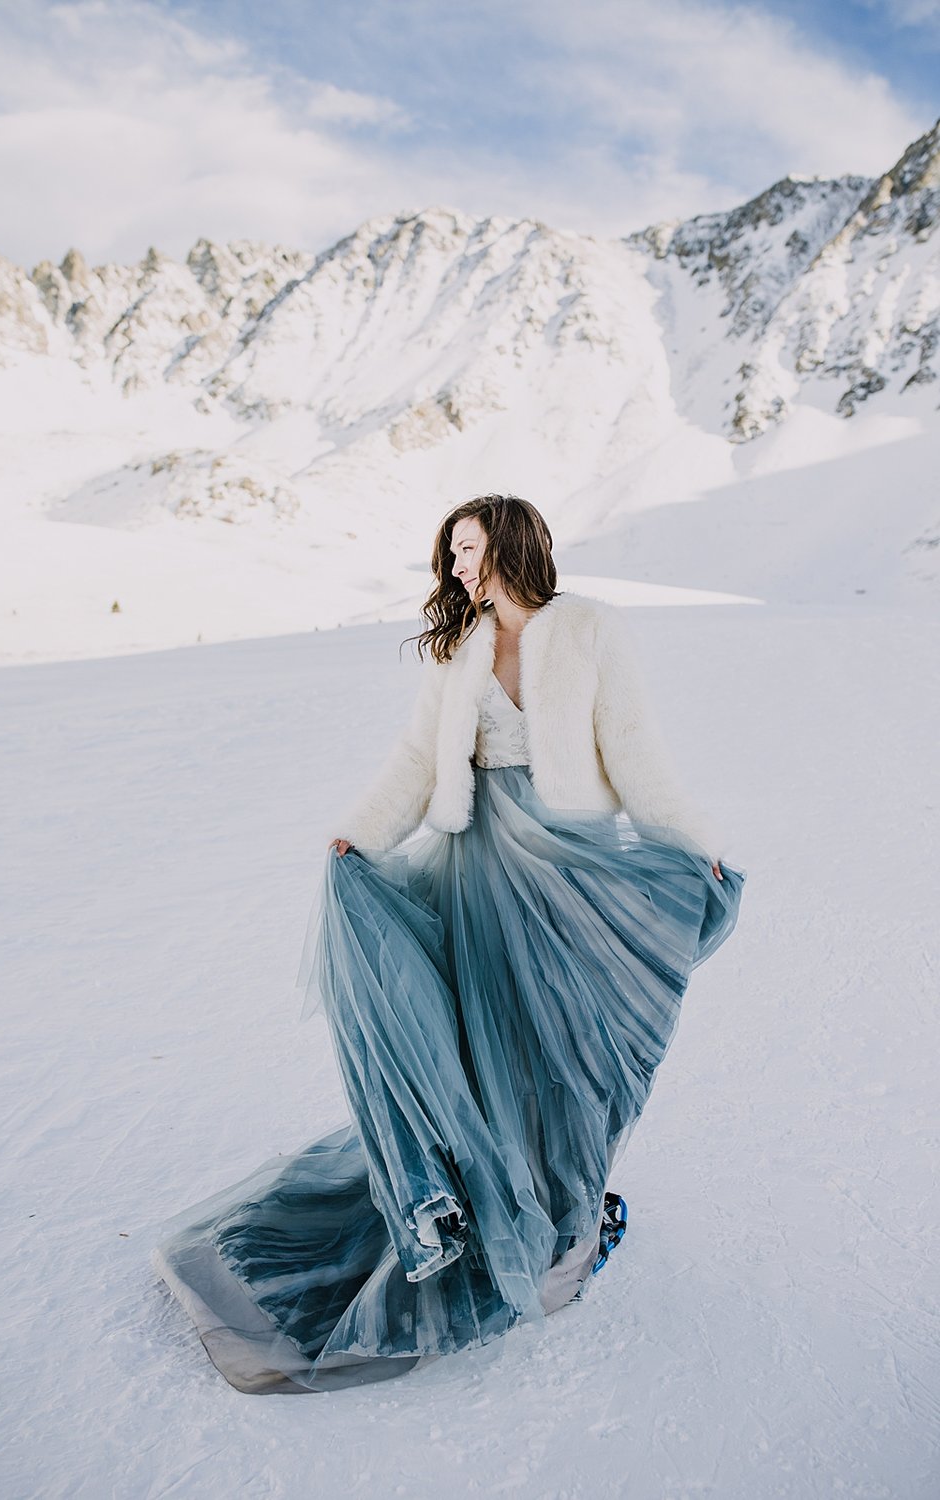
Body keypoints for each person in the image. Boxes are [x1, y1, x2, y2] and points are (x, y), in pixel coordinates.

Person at [151, 493, 746, 1395]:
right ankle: (536, 1239)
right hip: (479, 876)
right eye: (452, 554)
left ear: (510, 545)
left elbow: (635, 751)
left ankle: (562, 1221)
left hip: (567, 871)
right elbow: (418, 762)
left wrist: (695, 846)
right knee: (496, 1060)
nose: (459, 567)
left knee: (576, 1058)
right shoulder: (458, 651)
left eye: (469, 549)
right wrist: (358, 833)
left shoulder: (587, 631)